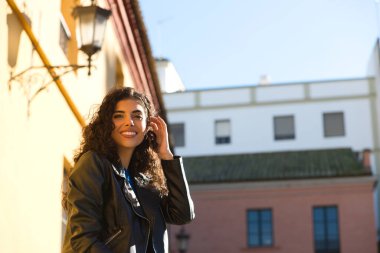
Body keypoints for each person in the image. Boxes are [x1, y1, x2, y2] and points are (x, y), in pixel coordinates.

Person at [62, 87, 195, 253]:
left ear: (148, 126)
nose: (129, 122)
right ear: (107, 123)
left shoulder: (145, 181)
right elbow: (82, 239)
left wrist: (166, 155)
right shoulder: (93, 164)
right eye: (119, 116)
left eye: (137, 116)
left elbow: (182, 214)